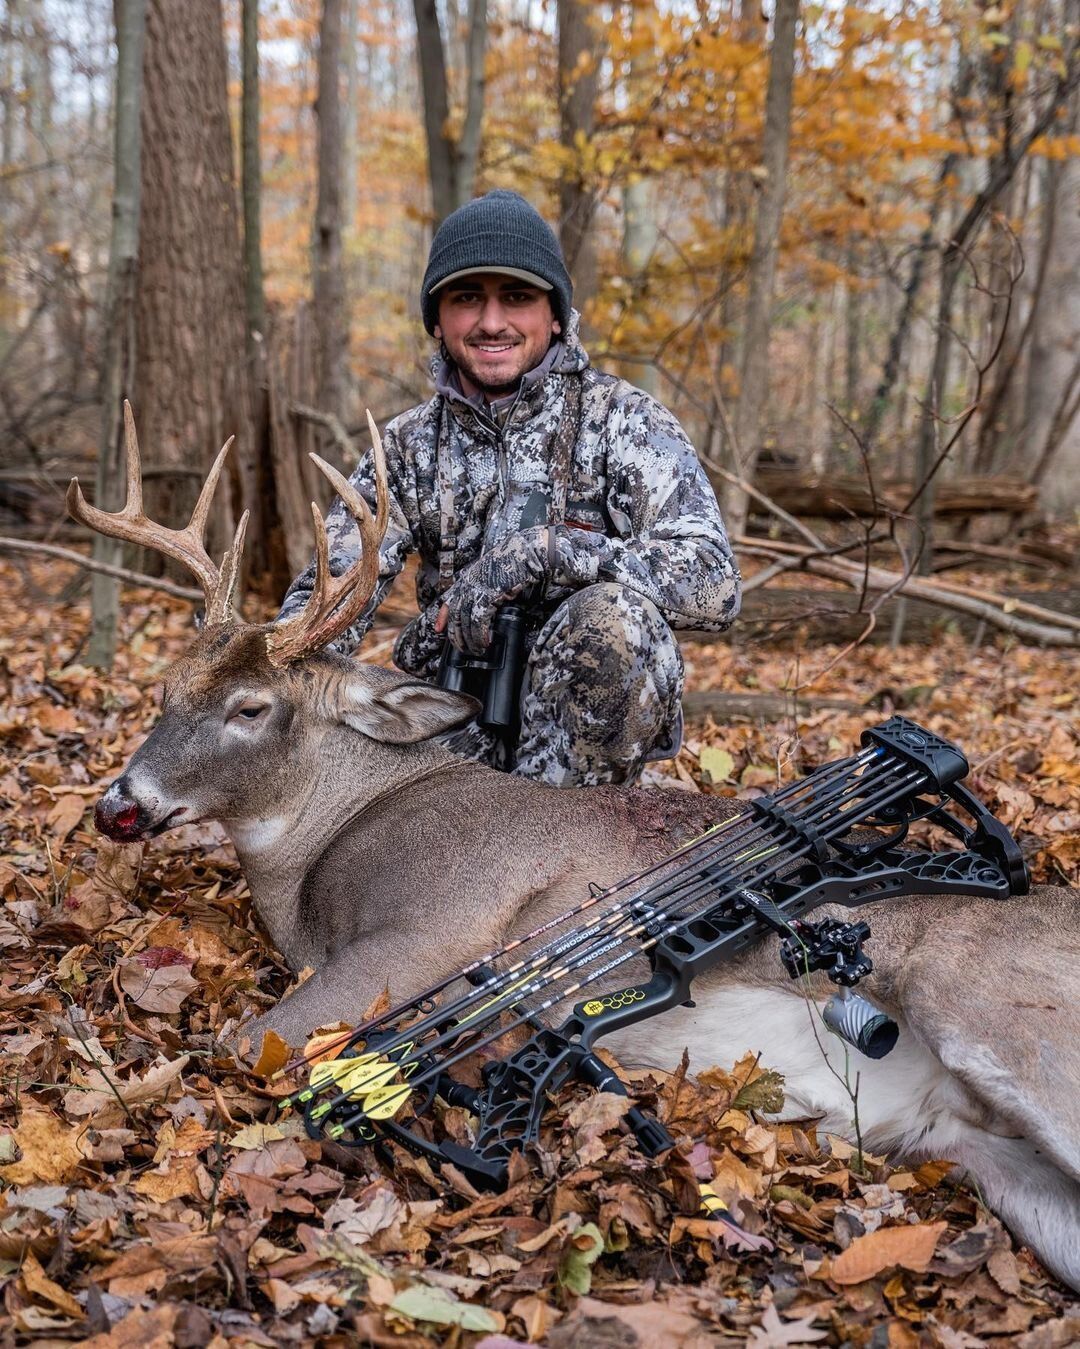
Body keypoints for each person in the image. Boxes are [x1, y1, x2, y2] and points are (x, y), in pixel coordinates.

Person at [279, 189, 741, 787]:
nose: (492, 322)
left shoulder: (622, 420)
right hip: (454, 714)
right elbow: (331, 597)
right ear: (438, 321)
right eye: (467, 298)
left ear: (555, 314)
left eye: (517, 297)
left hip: (582, 740)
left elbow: (714, 584)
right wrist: (266, 662)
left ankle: (573, 843)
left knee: (615, 621)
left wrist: (546, 552)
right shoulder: (405, 444)